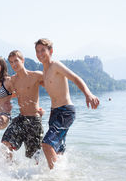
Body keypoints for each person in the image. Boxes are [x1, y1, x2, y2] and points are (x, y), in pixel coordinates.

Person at [35, 38, 100, 169]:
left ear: (51, 51)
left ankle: (56, 179)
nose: (40, 53)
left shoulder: (56, 66)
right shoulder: (44, 72)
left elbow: (75, 78)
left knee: (47, 145)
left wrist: (88, 94)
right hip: (54, 113)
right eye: (37, 51)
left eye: (43, 50)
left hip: (65, 111)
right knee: (56, 151)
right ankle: (63, 176)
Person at [1, 50, 44, 164]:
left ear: (22, 60)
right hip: (21, 118)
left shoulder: (36, 75)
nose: (14, 64)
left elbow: (52, 86)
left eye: (16, 61)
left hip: (34, 120)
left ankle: (39, 178)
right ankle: (10, 168)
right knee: (6, 143)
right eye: (11, 62)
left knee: (34, 157)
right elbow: (5, 94)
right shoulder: (13, 80)